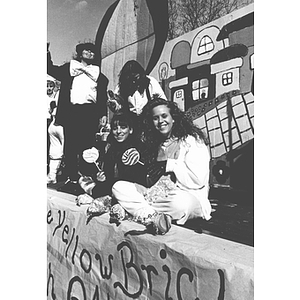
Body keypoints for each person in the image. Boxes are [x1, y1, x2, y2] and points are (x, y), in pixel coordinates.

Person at [111, 97, 212, 235]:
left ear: (174, 118)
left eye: (164, 116)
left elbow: (198, 179)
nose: (160, 121)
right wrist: (145, 186)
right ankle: (154, 217)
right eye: (155, 118)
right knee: (119, 187)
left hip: (186, 196)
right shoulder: (154, 144)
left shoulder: (191, 140)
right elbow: (153, 181)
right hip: (158, 197)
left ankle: (139, 212)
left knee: (180, 204)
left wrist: (169, 165)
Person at [47, 41, 108, 191]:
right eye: (86, 51)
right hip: (71, 113)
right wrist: (45, 53)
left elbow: (102, 97)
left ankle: (86, 179)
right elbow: (49, 68)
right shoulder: (70, 68)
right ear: (80, 53)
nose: (90, 53)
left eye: (92, 51)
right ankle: (72, 179)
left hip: (90, 113)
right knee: (70, 147)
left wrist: (103, 114)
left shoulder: (97, 74)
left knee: (87, 147)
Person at [78, 112, 147, 201]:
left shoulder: (138, 149)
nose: (118, 131)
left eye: (123, 127)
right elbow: (108, 175)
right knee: (85, 181)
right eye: (115, 128)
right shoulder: (111, 149)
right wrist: (100, 178)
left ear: (131, 130)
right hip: (111, 188)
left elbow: (139, 178)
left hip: (130, 190)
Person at [111, 60, 167, 132]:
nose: (134, 81)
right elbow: (118, 107)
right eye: (131, 79)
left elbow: (163, 101)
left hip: (149, 119)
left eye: (136, 77)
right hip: (131, 121)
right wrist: (114, 106)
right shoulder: (121, 87)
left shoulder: (151, 82)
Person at [47, 77, 64, 184]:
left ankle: (53, 175)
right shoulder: (58, 94)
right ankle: (52, 175)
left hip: (58, 123)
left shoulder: (58, 94)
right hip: (56, 122)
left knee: (58, 150)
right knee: (55, 151)